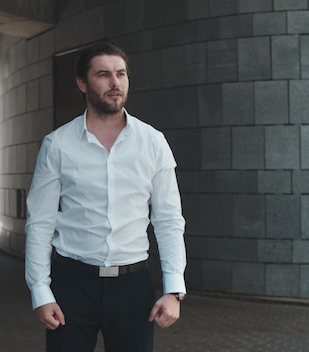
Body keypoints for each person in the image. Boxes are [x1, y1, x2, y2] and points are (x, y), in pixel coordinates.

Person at [24, 41, 187, 352]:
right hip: (72, 284)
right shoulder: (57, 145)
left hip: (133, 285)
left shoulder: (153, 142)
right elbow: (40, 223)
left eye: (121, 74)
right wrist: (41, 291)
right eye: (103, 74)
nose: (115, 83)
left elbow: (168, 220)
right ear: (82, 83)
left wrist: (173, 289)